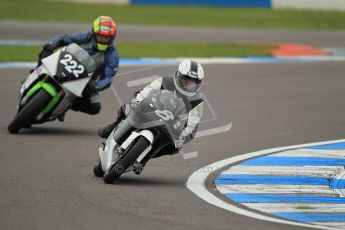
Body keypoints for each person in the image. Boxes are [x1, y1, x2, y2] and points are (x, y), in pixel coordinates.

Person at [98, 60, 204, 173]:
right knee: (128, 108)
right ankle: (113, 127)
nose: (188, 86)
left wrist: (182, 137)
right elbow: (146, 91)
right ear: (178, 77)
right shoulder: (164, 81)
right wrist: (137, 100)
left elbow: (192, 127)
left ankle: (142, 158)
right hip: (150, 110)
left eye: (192, 84)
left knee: (175, 147)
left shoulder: (197, 102)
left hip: (170, 127)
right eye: (185, 82)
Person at [35, 16, 119, 118]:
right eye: (100, 36)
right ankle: (36, 73)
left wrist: (96, 85)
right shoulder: (84, 36)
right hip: (66, 64)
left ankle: (69, 104)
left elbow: (108, 78)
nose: (103, 39)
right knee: (45, 51)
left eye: (106, 37)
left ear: (112, 38)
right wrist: (52, 44)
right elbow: (63, 39)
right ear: (94, 34)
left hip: (86, 80)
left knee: (95, 107)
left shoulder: (112, 55)